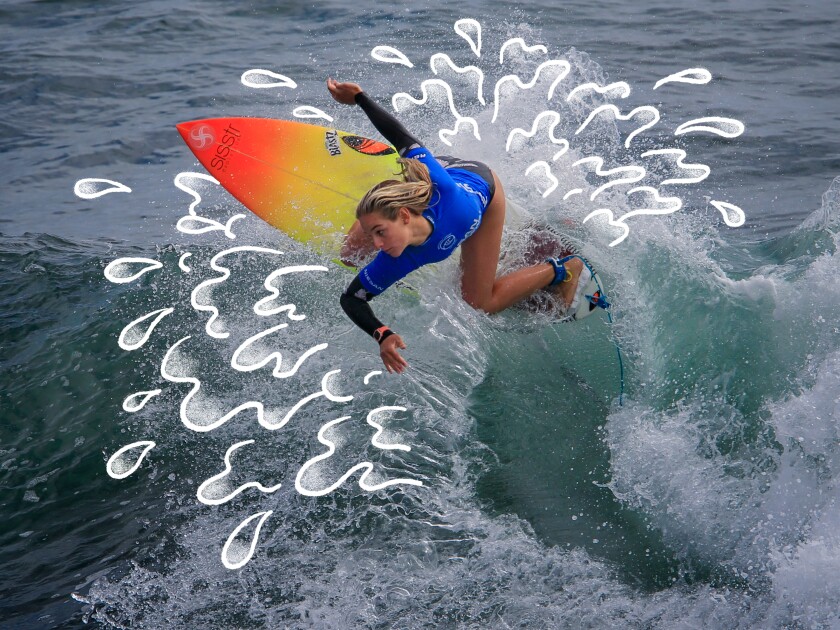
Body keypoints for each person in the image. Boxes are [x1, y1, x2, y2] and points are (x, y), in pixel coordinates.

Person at [328, 78, 593, 374]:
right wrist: (382, 334)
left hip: (482, 193)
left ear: (404, 216)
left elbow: (400, 134)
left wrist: (362, 96)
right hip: (434, 175)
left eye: (380, 233)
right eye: (373, 233)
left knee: (478, 302)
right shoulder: (395, 255)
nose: (378, 245)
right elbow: (352, 298)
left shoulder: (453, 205)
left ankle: (563, 268)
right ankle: (380, 203)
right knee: (350, 256)